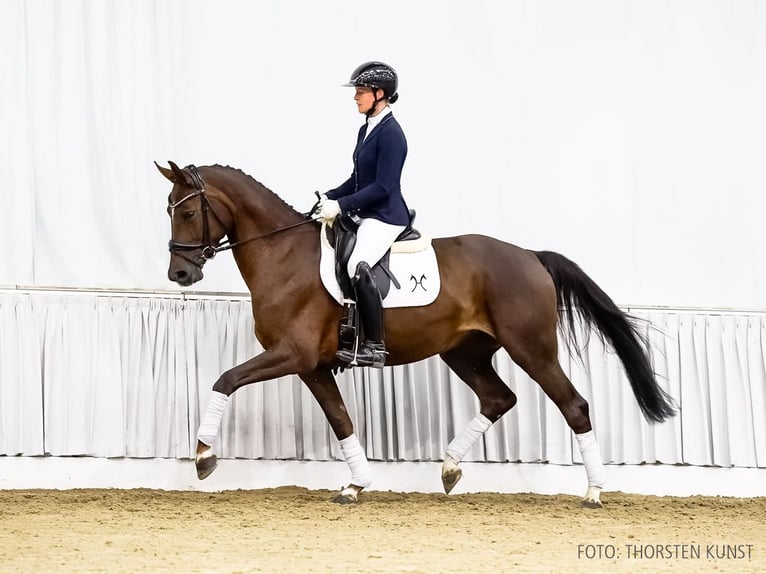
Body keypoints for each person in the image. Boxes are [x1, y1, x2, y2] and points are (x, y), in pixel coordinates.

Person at [317, 61, 410, 368]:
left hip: (385, 216)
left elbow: (384, 186)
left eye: (360, 92)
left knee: (359, 264)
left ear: (379, 94)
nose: (355, 97)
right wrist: (330, 196)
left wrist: (342, 206)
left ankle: (375, 346)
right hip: (366, 212)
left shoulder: (392, 134)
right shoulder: (365, 129)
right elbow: (358, 180)